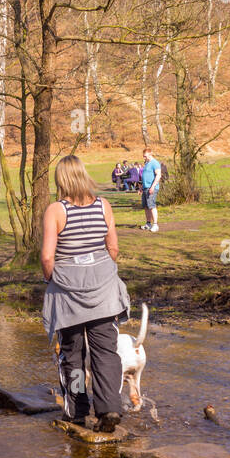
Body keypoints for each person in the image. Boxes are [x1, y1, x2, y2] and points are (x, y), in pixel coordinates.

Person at [40, 155, 128, 433]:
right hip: (104, 295)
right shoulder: (104, 205)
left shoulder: (56, 210)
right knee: (106, 353)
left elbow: (46, 257)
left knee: (73, 354)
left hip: (69, 298)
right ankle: (110, 407)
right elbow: (113, 249)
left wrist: (54, 279)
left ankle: (77, 410)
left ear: (61, 180)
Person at [139, 147, 161, 232]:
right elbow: (144, 176)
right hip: (145, 188)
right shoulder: (146, 164)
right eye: (143, 156)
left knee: (151, 205)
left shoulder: (155, 163)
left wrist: (152, 187)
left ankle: (155, 224)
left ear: (150, 154)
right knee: (146, 206)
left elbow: (158, 175)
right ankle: (148, 223)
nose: (144, 158)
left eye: (145, 156)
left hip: (151, 188)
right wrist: (141, 187)